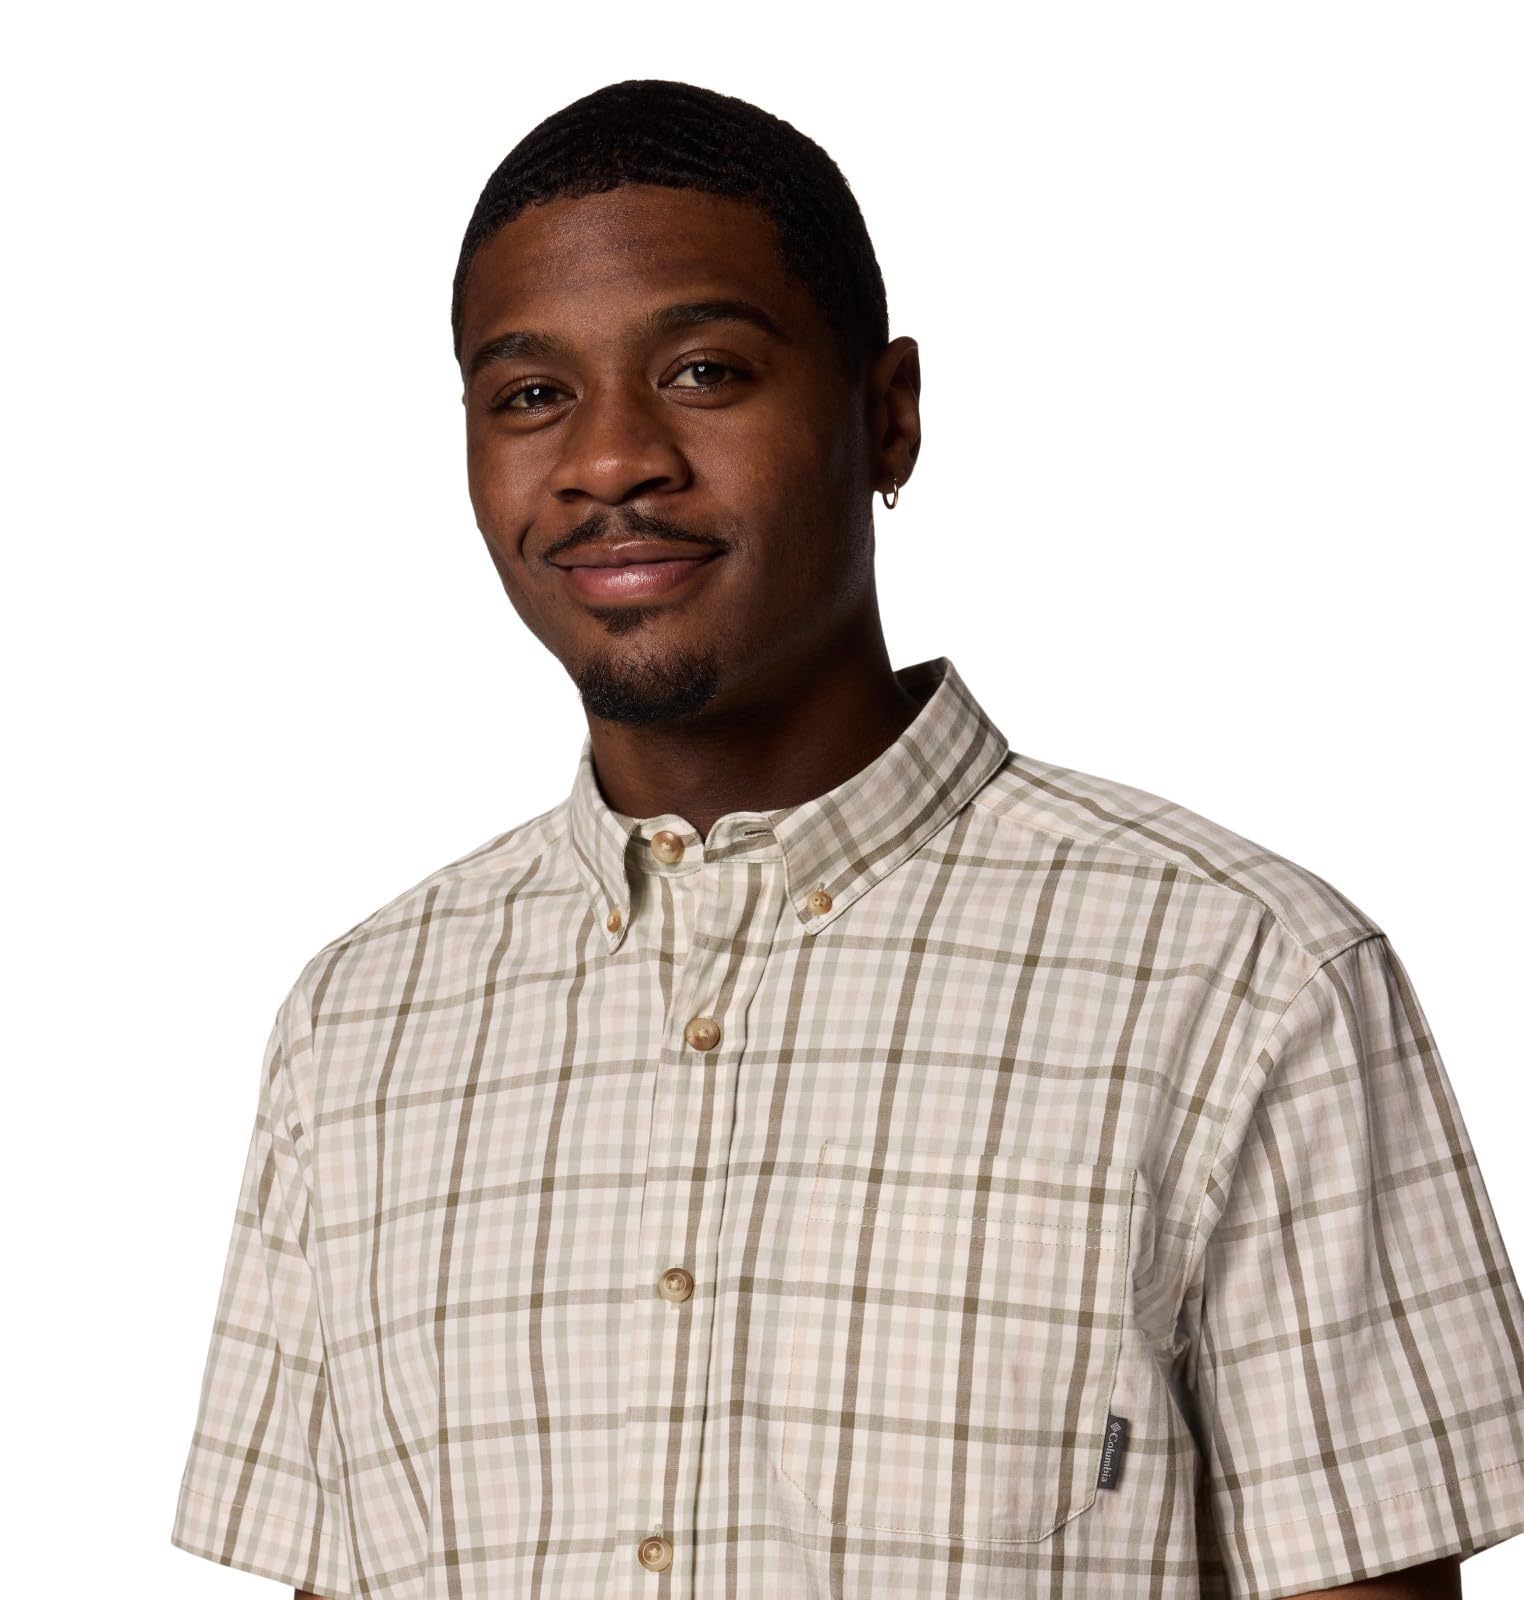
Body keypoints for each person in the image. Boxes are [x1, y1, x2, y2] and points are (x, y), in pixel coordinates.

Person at [169, 78, 1524, 1600]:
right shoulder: (355, 1027)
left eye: (704, 371)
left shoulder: (1246, 979)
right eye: (532, 395)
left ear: (888, 415)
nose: (610, 461)